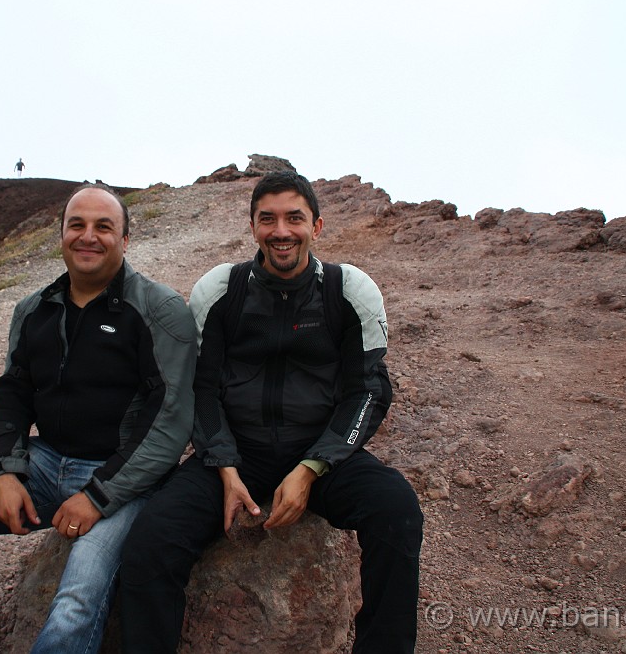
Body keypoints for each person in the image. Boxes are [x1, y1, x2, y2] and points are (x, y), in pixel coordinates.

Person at [119, 171, 424, 653]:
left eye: (294, 218)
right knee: (150, 544)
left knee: (397, 511)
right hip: (234, 455)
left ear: (317, 226)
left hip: (319, 456)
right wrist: (222, 463)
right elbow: (201, 386)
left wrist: (312, 468)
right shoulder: (221, 289)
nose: (281, 231)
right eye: (268, 219)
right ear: (254, 227)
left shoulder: (350, 290)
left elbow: (367, 390)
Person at [0, 183, 197, 654]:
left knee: (75, 601)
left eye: (104, 227)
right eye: (77, 225)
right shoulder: (32, 310)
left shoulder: (159, 309)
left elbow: (170, 420)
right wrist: (3, 471)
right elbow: (12, 396)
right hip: (46, 464)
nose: (89, 236)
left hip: (124, 480)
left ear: (125, 240)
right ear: (62, 234)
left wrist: (98, 494)